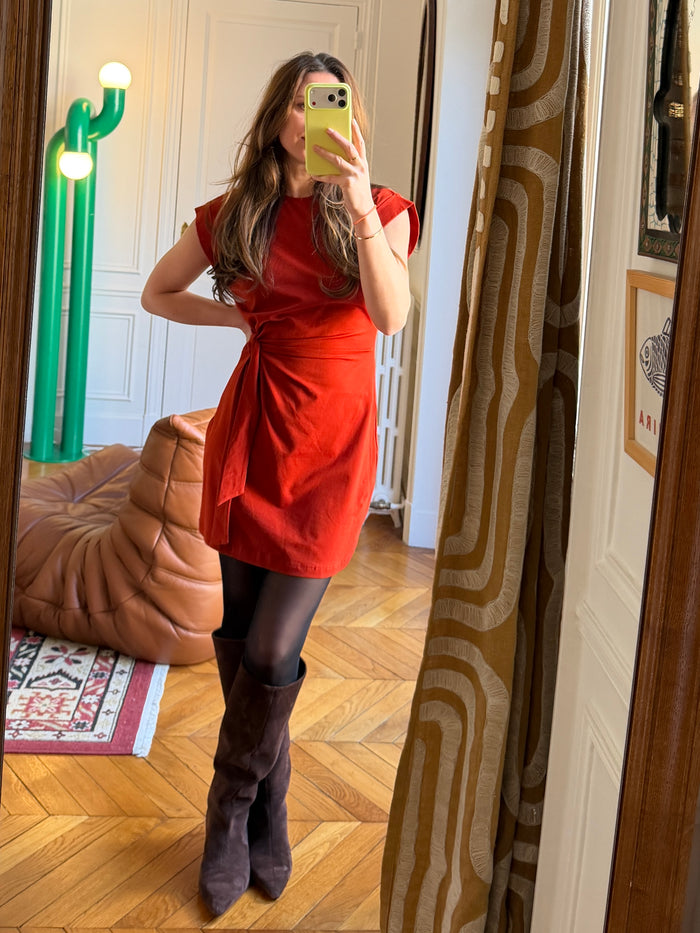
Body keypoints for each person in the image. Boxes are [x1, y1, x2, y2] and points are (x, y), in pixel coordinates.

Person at [141, 50, 419, 917]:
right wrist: (237, 317)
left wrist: (356, 200)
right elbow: (157, 293)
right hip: (254, 432)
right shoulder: (238, 214)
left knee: (269, 650)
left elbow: (390, 314)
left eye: (328, 103)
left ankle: (227, 807)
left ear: (350, 118)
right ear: (275, 119)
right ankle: (266, 807)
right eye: (298, 104)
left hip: (333, 451)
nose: (311, 120)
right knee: (239, 634)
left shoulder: (381, 209)